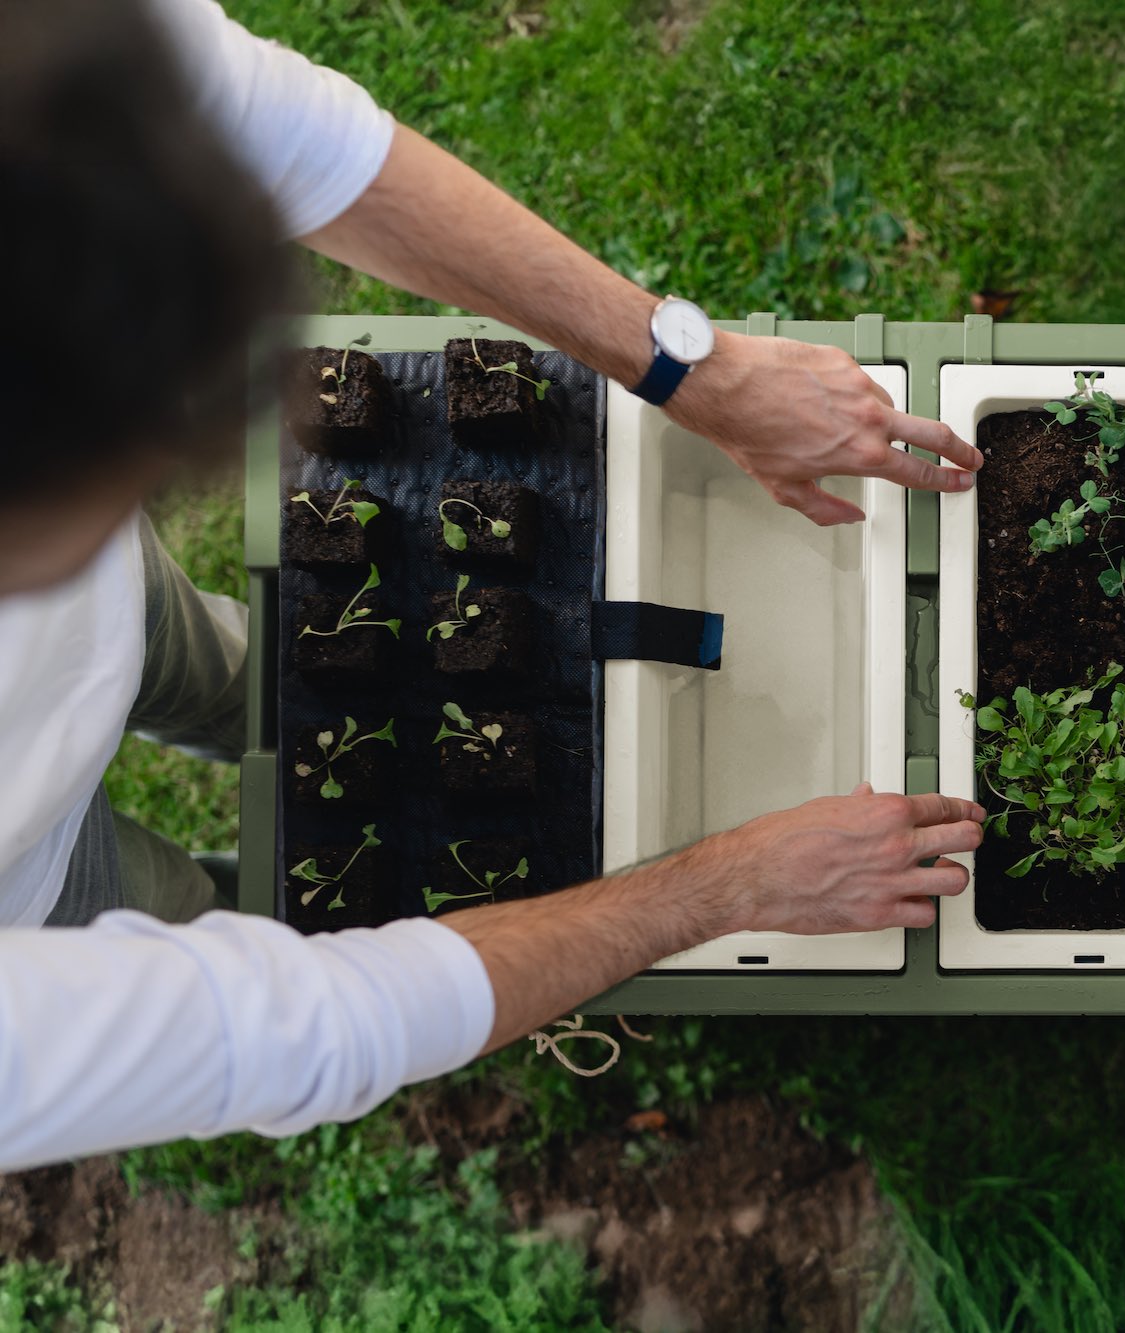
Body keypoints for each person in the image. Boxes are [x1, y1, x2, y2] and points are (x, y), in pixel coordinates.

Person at [0, 0, 984, 1171]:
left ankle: (270, 714)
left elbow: (297, 139)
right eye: (117, 474)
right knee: (232, 914)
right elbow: (301, 1024)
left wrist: (689, 368)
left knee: (269, 676)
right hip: (36, 892)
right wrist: (723, 884)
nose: (150, 493)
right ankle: (261, 874)